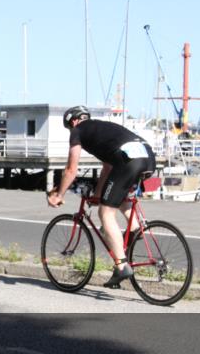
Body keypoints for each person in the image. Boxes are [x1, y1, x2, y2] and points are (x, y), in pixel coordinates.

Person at [47, 106, 156, 288]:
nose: (71, 130)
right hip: (148, 158)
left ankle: (121, 265)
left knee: (105, 214)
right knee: (117, 200)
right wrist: (98, 195)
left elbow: (71, 170)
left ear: (73, 122)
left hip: (129, 162)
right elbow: (107, 169)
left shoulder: (77, 130)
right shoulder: (102, 129)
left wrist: (59, 194)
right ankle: (135, 230)